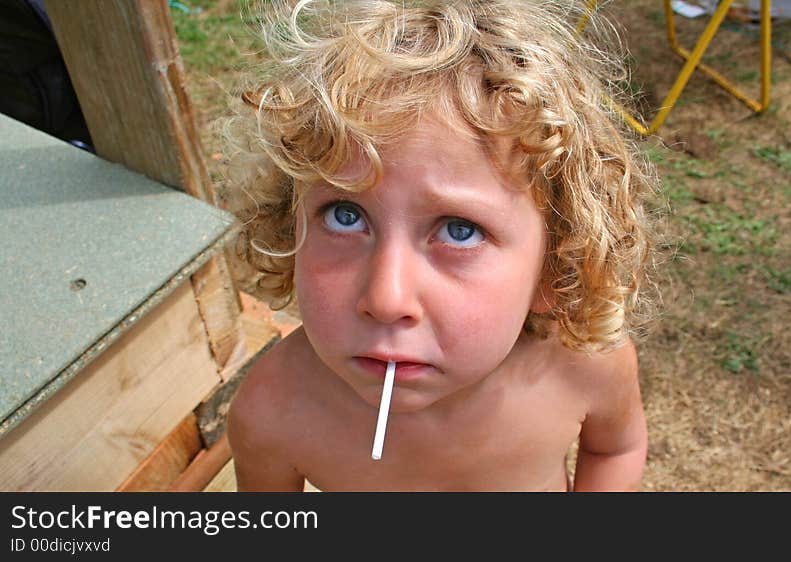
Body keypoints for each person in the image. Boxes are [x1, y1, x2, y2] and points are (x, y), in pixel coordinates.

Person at [223, 0, 656, 491]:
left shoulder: (587, 369)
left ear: (556, 265)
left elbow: (615, 447)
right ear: (289, 227)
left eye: (458, 230)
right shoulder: (275, 412)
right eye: (346, 217)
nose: (387, 300)